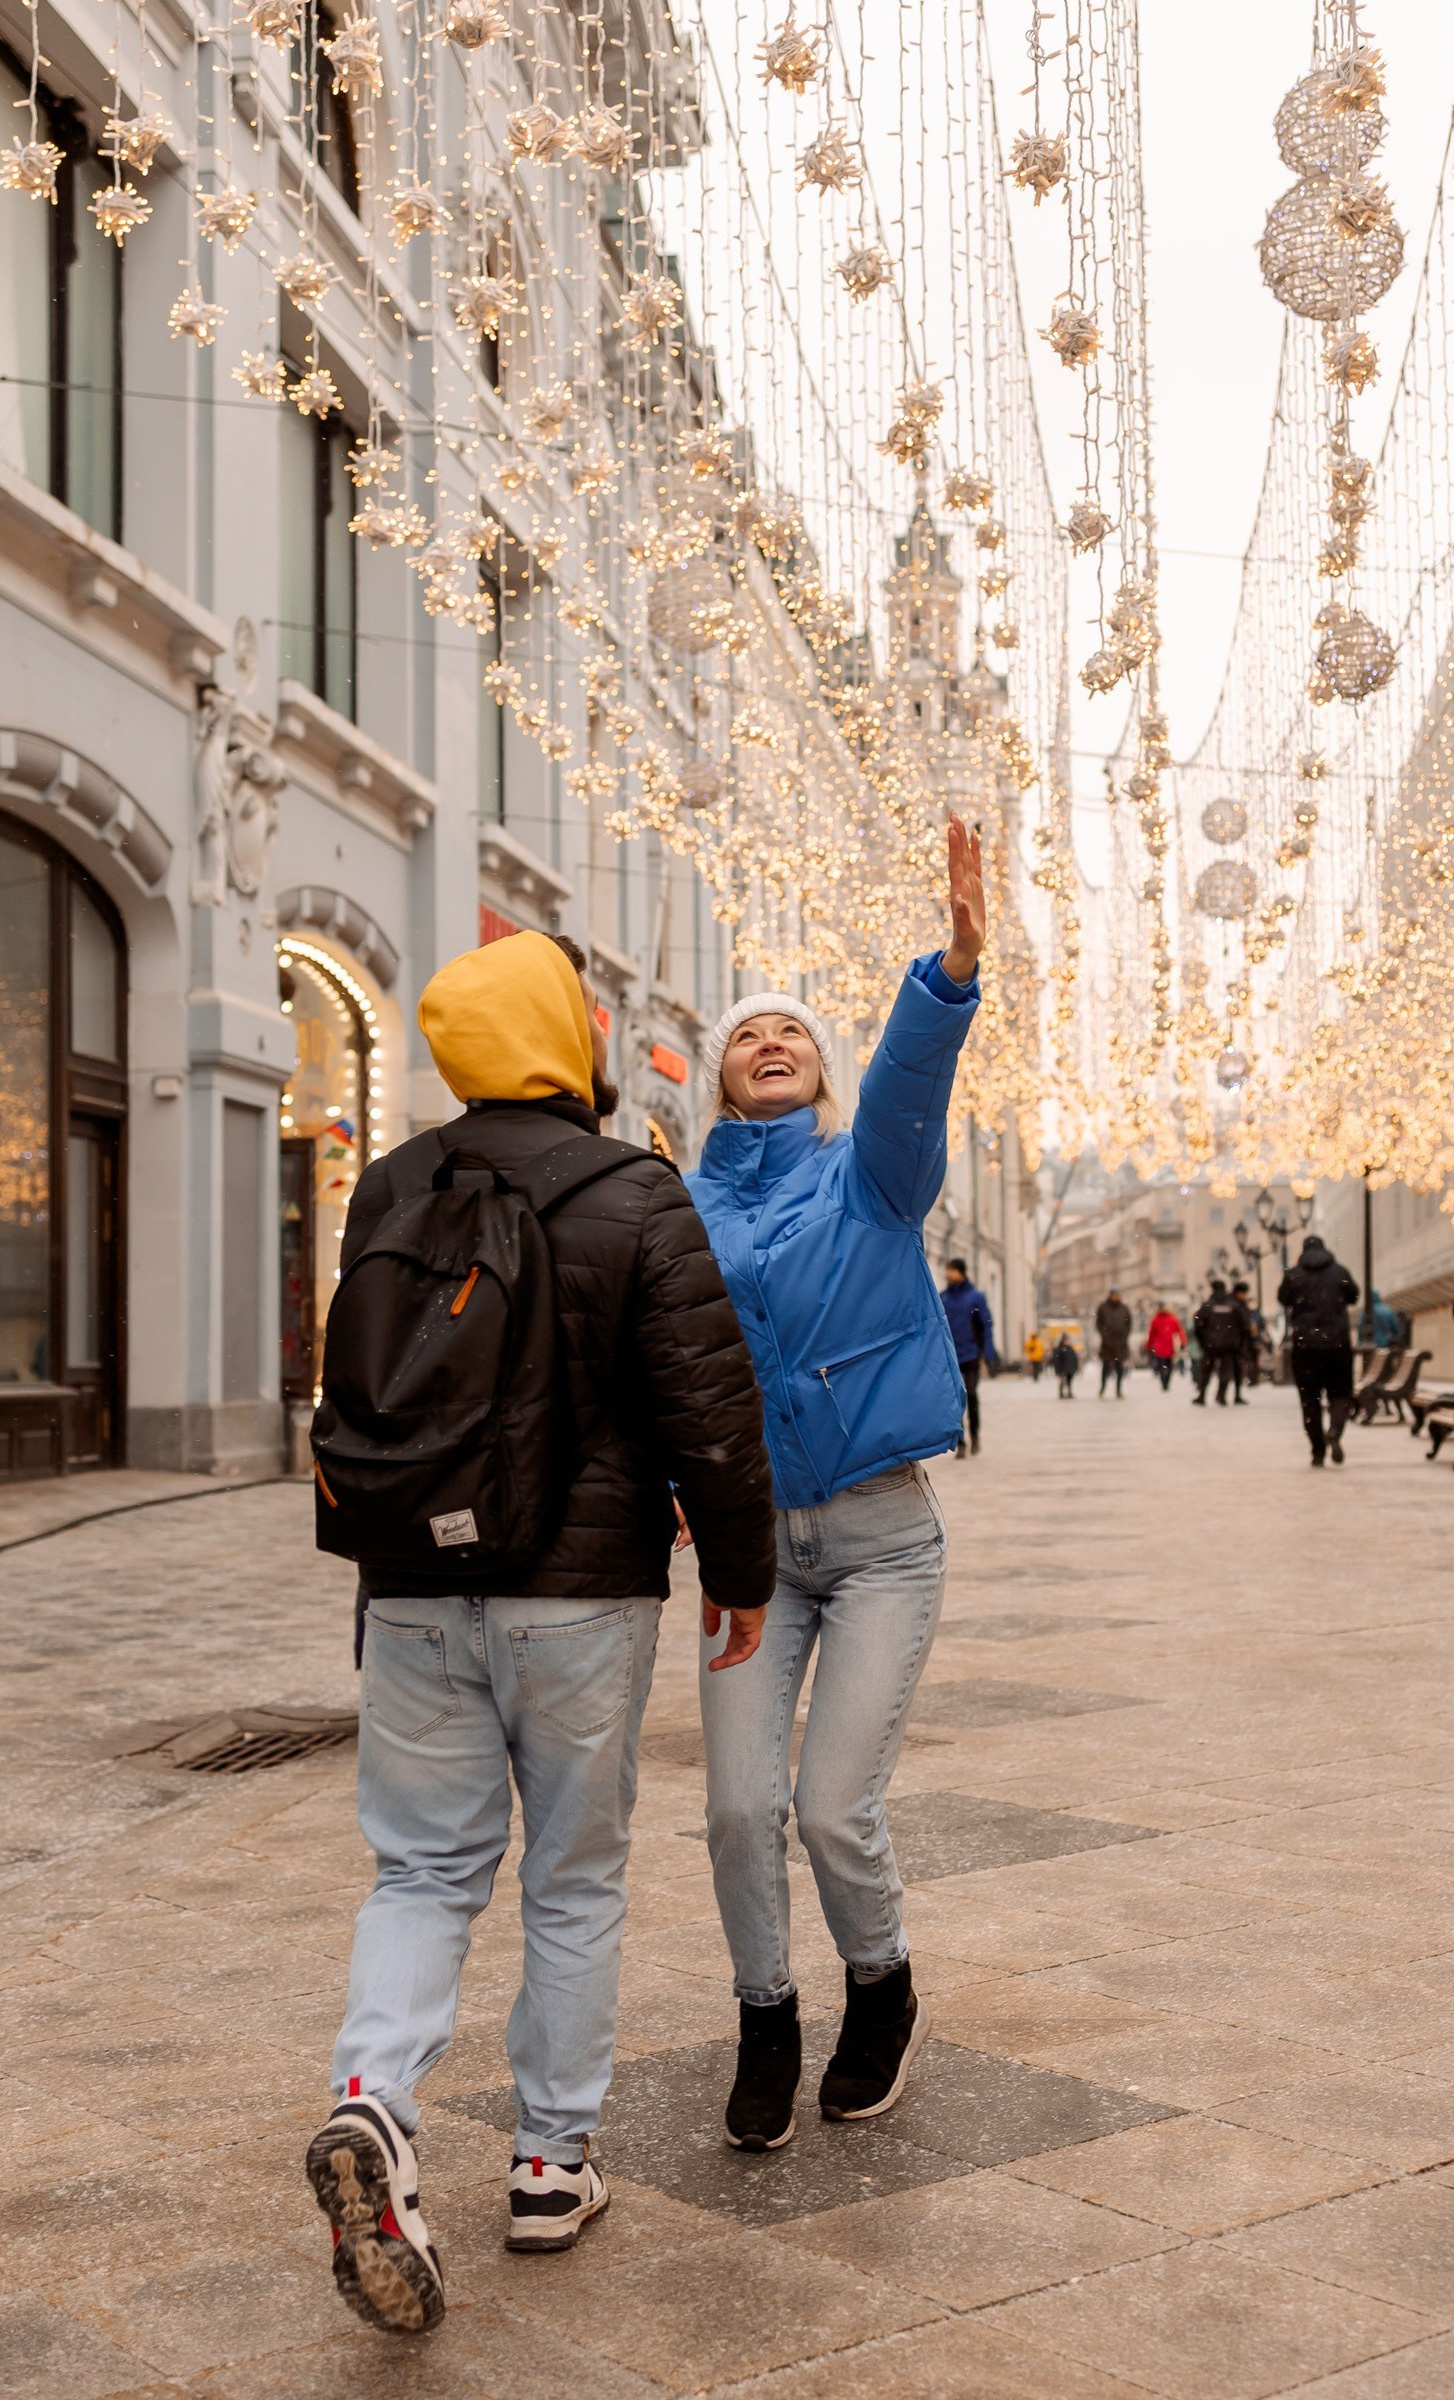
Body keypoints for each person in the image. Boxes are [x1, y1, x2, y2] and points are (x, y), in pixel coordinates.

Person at [305, 929, 777, 2335]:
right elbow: (707, 1404)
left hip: (411, 1590)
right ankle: (550, 2164)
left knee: (420, 1871)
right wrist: (741, 1572)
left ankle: (373, 2102)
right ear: (563, 1037)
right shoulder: (633, 1188)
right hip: (577, 1599)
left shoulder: (391, 1183)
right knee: (571, 1878)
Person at [684, 813, 984, 2154]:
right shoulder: (679, 1210)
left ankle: (881, 1988)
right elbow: (656, 1364)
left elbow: (910, 1086)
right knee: (736, 1809)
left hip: (879, 1543)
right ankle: (766, 2019)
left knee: (828, 1807)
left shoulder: (869, 1180)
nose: (770, 1039)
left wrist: (948, 974)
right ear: (717, 1075)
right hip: (747, 1552)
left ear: (817, 1069)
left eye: (791, 1032)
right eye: (747, 1031)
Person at [1279, 1232, 1361, 1466]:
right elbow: (1354, 1296)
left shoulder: (1294, 1275)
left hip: (1305, 1347)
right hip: (1337, 1344)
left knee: (1310, 1400)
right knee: (1340, 1394)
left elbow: (1283, 1299)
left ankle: (1317, 1451)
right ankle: (1334, 1431)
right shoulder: (1340, 1272)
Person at [941, 1258, 997, 1455]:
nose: (948, 1274)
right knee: (955, 1401)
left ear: (961, 1272)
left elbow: (986, 1325)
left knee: (971, 1395)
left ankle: (975, 1435)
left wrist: (988, 1353)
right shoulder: (943, 1298)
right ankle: (961, 1442)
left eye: (951, 1270)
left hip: (971, 1355)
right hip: (951, 1356)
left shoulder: (975, 1297)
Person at [1192, 1279, 1250, 1407]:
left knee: (1207, 1370)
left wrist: (1203, 1341)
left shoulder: (1207, 1305)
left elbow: (1197, 1324)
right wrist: (1239, 1342)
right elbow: (1244, 1325)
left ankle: (1202, 1396)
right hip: (1229, 1345)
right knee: (1226, 1370)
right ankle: (1221, 1396)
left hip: (1211, 1344)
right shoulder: (1234, 1305)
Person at [1095, 1290, 1132, 1398]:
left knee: (1120, 1367)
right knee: (1106, 1367)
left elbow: (1129, 1323)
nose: (1116, 1297)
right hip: (1107, 1343)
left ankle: (1118, 1389)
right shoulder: (1103, 1307)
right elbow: (1099, 1323)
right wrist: (1104, 1335)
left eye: (1117, 1295)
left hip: (1120, 1343)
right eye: (1114, 1295)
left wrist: (1124, 1336)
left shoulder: (1124, 1308)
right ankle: (1103, 1387)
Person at [1144, 1301, 1185, 1392]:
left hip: (1169, 1346)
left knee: (1167, 1366)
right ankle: (1164, 1382)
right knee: (1163, 1366)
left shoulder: (1171, 1318)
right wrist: (1148, 1345)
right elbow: (1152, 1334)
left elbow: (1179, 1331)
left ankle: (1165, 1382)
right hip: (1161, 1346)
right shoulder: (1157, 1319)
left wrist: (1182, 1342)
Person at [1231, 1281, 1259, 1400]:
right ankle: (1234, 1394)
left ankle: (1231, 1394)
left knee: (1233, 1367)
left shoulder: (1236, 1303)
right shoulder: (1238, 1305)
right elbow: (1244, 1322)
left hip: (1233, 1340)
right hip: (1237, 1340)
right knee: (1235, 1367)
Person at [1051, 1333, 1080, 1398]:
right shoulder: (1059, 1349)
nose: (1067, 1341)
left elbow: (1074, 1358)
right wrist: (1058, 1369)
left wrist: (1075, 1367)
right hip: (1062, 1369)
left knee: (1069, 1382)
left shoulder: (1070, 1348)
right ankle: (1061, 1393)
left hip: (1070, 1369)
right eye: (1066, 1340)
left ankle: (1069, 1392)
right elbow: (1057, 1360)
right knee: (1062, 1382)